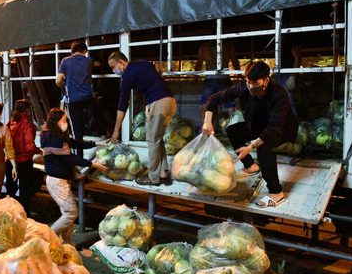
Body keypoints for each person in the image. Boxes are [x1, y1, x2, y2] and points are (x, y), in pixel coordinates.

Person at [203, 61, 298, 208]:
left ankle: (276, 193)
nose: (250, 86)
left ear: (266, 80)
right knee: (232, 130)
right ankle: (251, 167)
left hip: (282, 129)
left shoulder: (279, 94)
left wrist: (250, 147)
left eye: (254, 83)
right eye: (248, 82)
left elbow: (273, 128)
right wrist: (207, 121)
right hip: (257, 125)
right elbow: (215, 98)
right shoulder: (243, 87)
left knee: (264, 147)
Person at [108, 51, 177, 186]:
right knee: (157, 138)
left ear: (121, 62)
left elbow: (122, 105)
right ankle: (162, 172)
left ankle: (153, 177)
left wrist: (116, 131)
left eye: (113, 66)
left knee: (152, 140)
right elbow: (151, 66)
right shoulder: (141, 63)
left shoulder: (127, 76)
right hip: (170, 101)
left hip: (157, 101)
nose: (114, 70)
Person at [41, 108, 108, 243]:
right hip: (56, 181)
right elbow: (71, 158)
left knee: (67, 213)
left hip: (61, 180)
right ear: (56, 122)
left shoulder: (57, 136)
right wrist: (94, 165)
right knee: (71, 213)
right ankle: (47, 238)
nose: (66, 123)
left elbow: (76, 143)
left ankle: (66, 244)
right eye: (64, 120)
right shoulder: (53, 139)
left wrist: (98, 143)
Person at [56, 41, 106, 156]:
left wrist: (63, 83)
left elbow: (59, 81)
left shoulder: (65, 61)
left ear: (72, 51)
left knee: (77, 131)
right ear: (84, 52)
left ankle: (79, 157)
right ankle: (104, 133)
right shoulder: (89, 61)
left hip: (73, 99)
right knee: (97, 113)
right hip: (88, 97)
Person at [5, 99, 43, 216]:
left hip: (10, 160)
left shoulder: (9, 123)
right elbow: (29, 146)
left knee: (10, 188)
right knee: (24, 189)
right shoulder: (28, 124)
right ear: (27, 110)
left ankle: (10, 212)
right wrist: (39, 151)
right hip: (24, 161)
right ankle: (24, 214)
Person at [194, 41, 240, 120]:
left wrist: (195, 76)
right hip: (223, 77)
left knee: (205, 103)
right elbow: (234, 60)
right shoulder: (227, 45)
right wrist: (238, 72)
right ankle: (233, 126)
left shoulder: (204, 46)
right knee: (229, 104)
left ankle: (203, 129)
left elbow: (199, 63)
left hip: (209, 78)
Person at [277, 34, 302, 113]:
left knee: (289, 101)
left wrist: (293, 77)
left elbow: (298, 57)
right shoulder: (279, 40)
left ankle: (293, 123)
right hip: (280, 75)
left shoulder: (291, 39)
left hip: (287, 75)